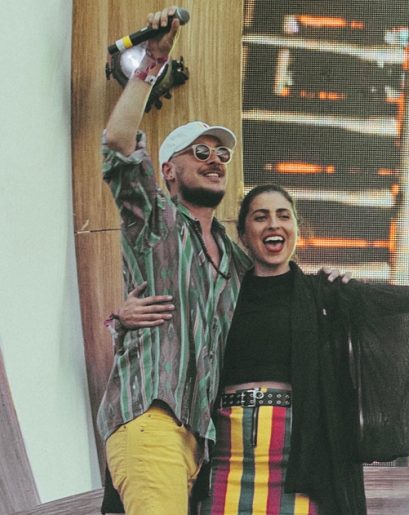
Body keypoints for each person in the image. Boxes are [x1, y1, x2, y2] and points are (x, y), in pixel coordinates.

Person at [186, 184, 409, 514]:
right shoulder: (221, 294)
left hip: (300, 453)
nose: (273, 224)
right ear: (243, 234)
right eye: (260, 217)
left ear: (297, 229)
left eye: (284, 216)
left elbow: (407, 300)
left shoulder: (323, 292)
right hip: (228, 451)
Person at [96, 7, 251, 515]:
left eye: (222, 155)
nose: (215, 160)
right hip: (150, 417)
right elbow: (119, 145)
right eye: (200, 152)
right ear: (168, 171)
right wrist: (152, 63)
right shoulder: (157, 221)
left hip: (199, 442)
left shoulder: (236, 260)